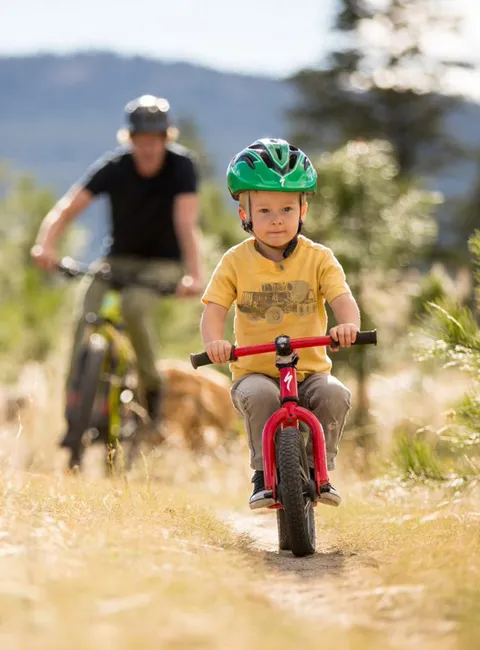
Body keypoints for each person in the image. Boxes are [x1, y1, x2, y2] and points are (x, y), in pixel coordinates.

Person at [31, 94, 204, 446]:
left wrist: (195, 275)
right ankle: (73, 417)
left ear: (165, 139)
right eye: (141, 140)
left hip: (163, 265)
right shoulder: (115, 167)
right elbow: (67, 208)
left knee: (135, 308)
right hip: (118, 260)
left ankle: (152, 393)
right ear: (130, 139)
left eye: (155, 140)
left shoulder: (182, 167)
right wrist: (45, 245)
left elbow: (187, 224)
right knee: (86, 316)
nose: (148, 148)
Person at [200, 138, 360, 509]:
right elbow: (214, 310)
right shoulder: (235, 262)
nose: (276, 219)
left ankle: (319, 470)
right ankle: (261, 473)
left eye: (287, 208)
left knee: (335, 394)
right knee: (261, 396)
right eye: (266, 210)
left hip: (310, 370)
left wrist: (347, 325)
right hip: (256, 371)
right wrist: (214, 343)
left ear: (303, 209)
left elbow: (341, 299)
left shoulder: (319, 258)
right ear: (245, 215)